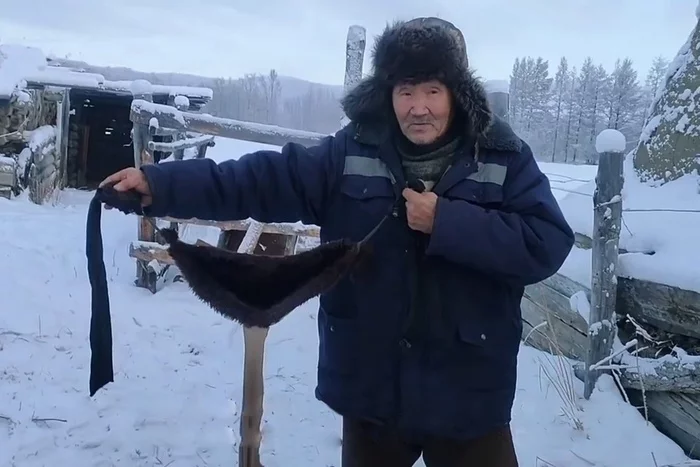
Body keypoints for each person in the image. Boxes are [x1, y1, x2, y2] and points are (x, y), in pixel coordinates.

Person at [101, 17, 574, 467]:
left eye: (433, 90)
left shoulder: (502, 157)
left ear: (458, 93)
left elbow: (547, 242)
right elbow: (260, 180)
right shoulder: (352, 150)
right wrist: (160, 185)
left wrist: (448, 223)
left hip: (469, 393)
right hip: (373, 390)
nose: (418, 106)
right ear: (388, 94)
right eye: (405, 91)